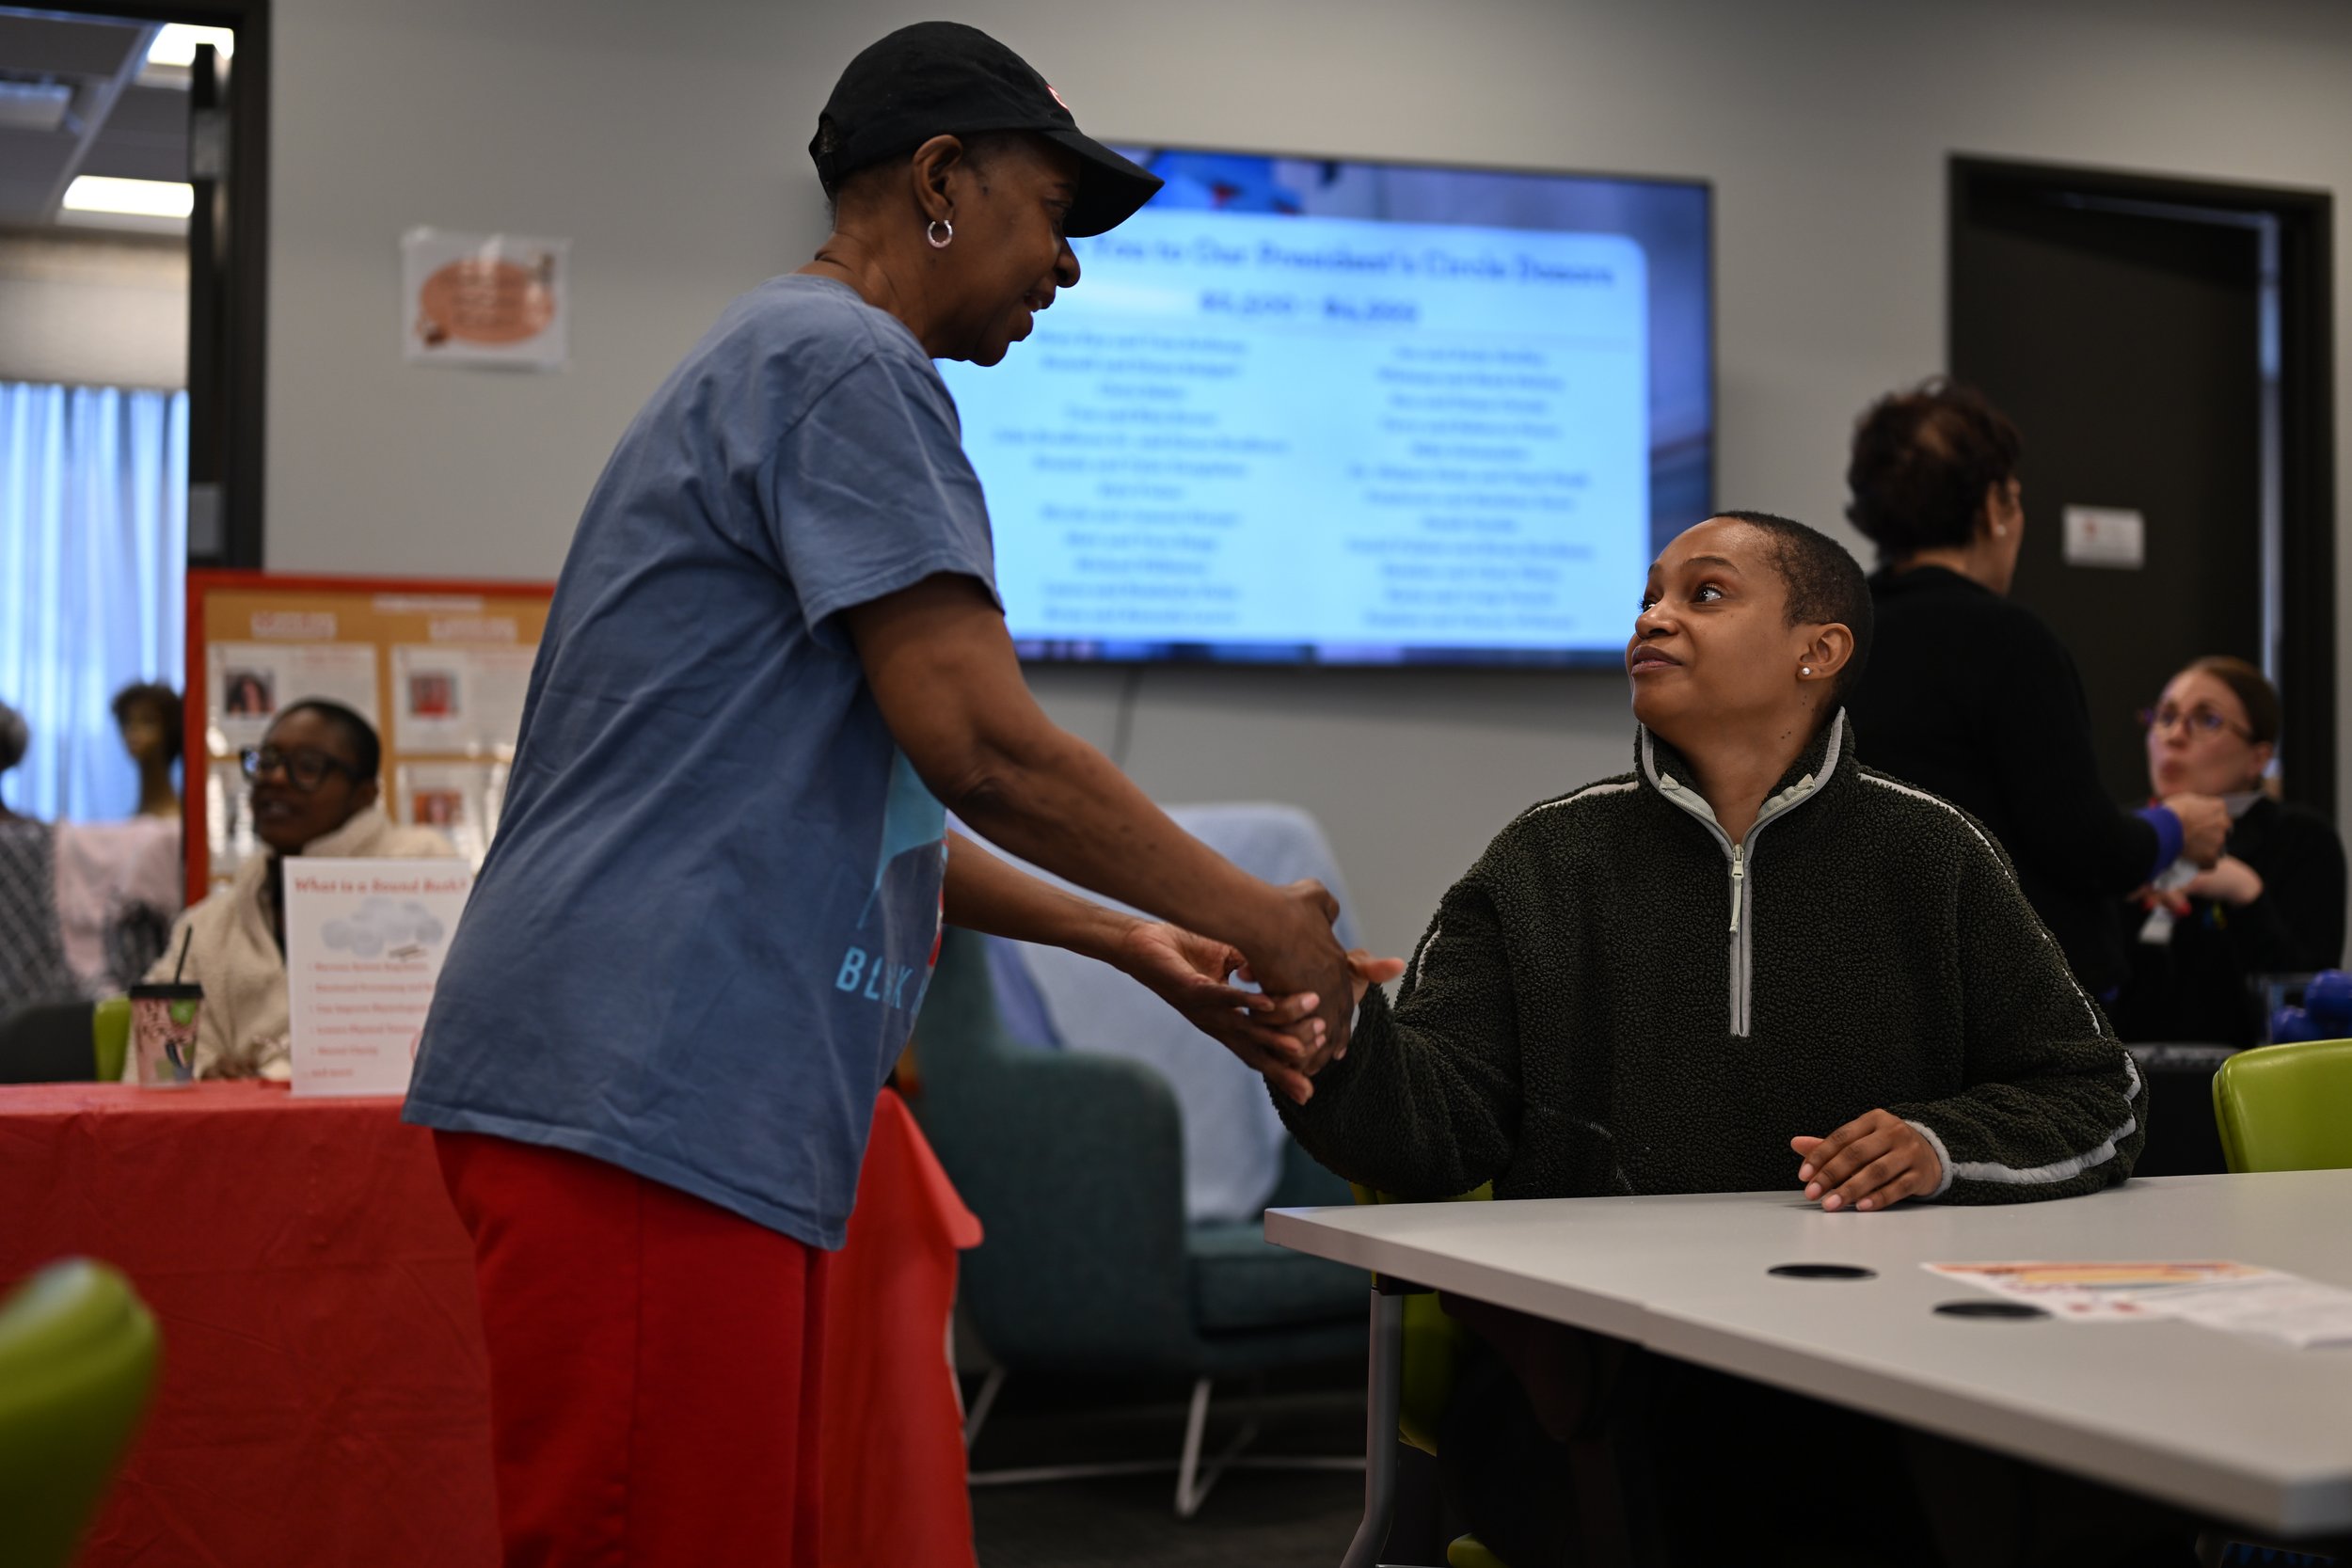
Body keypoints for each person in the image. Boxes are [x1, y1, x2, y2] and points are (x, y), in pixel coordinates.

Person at [401, 24, 1361, 1566]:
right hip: (648, 1084)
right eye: (1052, 211)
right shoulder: (843, 361)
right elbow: (984, 743)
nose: (1064, 264)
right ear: (937, 181)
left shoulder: (784, 356)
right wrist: (1263, 919)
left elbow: (875, 799)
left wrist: (1128, 942)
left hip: (664, 1087)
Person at [1277, 513, 2170, 1567]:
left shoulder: (1934, 854)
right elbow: (1432, 1130)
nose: (1653, 615)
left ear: (1818, 649)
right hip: (1603, 1377)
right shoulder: (1543, 860)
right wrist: (1330, 1034)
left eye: (1702, 594)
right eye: (1648, 596)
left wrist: (1941, 1144)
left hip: (1881, 1355)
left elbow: (2094, 1089)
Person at [1841, 378, 2230, 1000]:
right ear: (1994, 509)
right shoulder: (2010, 641)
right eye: (2015, 499)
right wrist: (2176, 827)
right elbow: (2084, 845)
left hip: (1876, 989)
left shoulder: (1835, 636)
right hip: (2018, 1004)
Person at [145, 701, 450, 1079]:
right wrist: (206, 1071)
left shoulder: (420, 869)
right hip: (246, 1128)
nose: (274, 779)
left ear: (365, 793)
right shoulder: (206, 925)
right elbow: (155, 1058)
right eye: (267, 761)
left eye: (308, 767)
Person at [2110, 657, 2346, 1048]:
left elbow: (2311, 1008)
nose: (2174, 735)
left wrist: (2246, 894)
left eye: (2207, 720)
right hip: (2121, 1086)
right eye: (2166, 716)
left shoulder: (2301, 839)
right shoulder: (2120, 835)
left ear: (2258, 757)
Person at [111, 682, 183, 821]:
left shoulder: (174, 822)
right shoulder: (137, 818)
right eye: (127, 721)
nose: (133, 731)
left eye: (147, 721)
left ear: (168, 729)